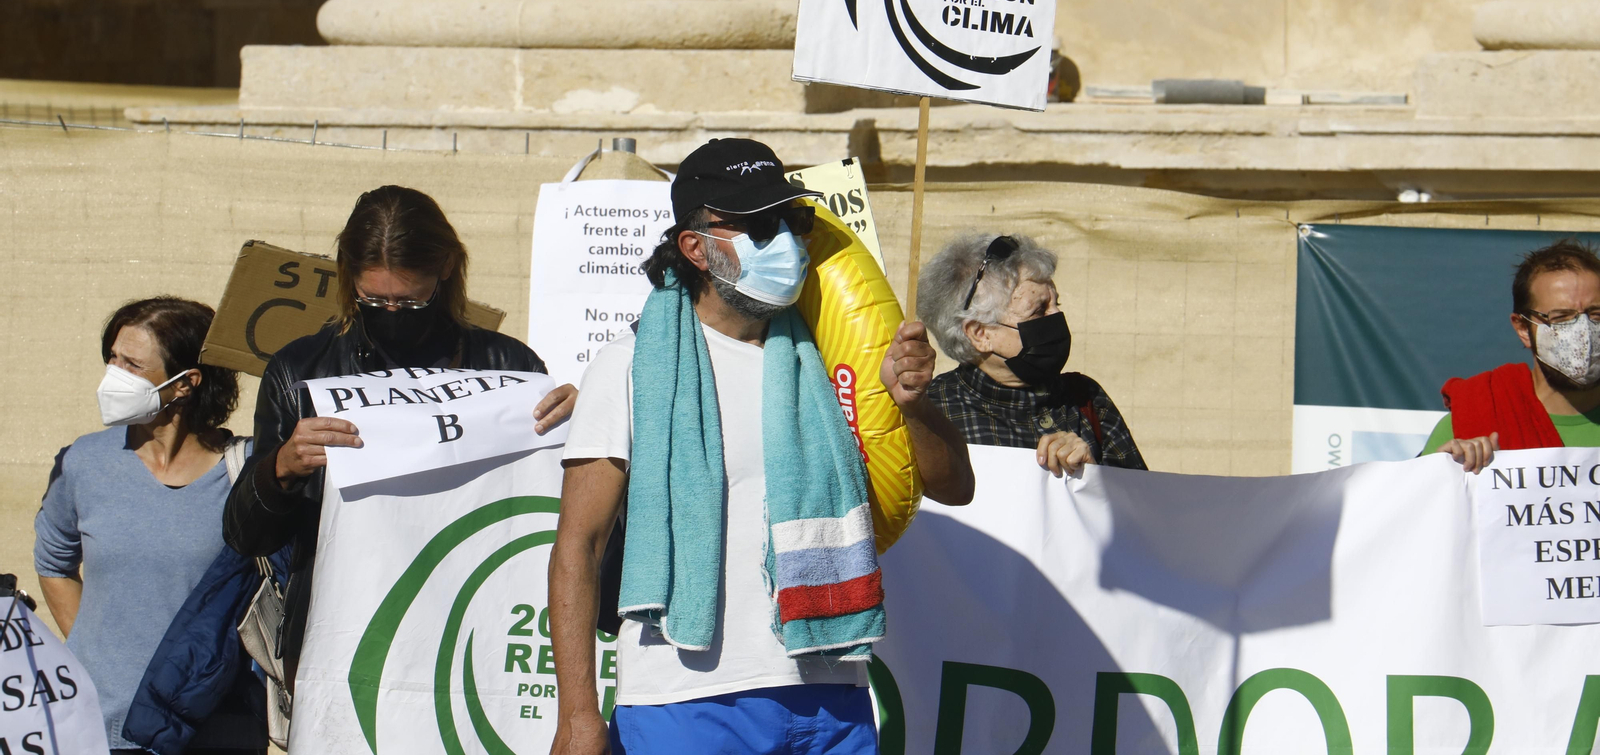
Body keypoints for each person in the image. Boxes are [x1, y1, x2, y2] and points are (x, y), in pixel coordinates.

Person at [549, 137, 974, 755]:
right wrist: (579, 716)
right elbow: (577, 545)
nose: (785, 240)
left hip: (831, 697)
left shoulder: (835, 361)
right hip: (687, 702)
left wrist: (911, 405)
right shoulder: (630, 368)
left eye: (793, 221)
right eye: (758, 225)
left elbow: (955, 487)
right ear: (696, 247)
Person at [222, 185, 575, 688]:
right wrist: (279, 469)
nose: (390, 314)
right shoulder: (301, 370)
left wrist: (579, 429)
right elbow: (245, 536)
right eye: (373, 299)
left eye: (410, 302)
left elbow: (550, 507)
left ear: (446, 269)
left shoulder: (509, 365)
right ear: (347, 276)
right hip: (341, 633)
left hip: (470, 624)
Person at [34, 296, 267, 753]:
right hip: (103, 726)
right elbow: (54, 563)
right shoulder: (84, 462)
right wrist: (97, 660)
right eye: (113, 359)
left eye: (133, 364)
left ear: (186, 384)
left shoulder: (250, 472)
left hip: (213, 730)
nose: (113, 375)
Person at [917, 233, 1147, 477]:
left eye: (1056, 304)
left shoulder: (1086, 398)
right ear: (980, 334)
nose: (1057, 317)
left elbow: (1146, 506)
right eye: (1038, 311)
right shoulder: (930, 415)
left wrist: (1092, 476)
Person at [1425, 239, 1600, 473]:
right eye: (1560, 318)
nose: (1583, 333)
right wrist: (1441, 473)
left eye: (1596, 315)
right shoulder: (1468, 426)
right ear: (1522, 328)